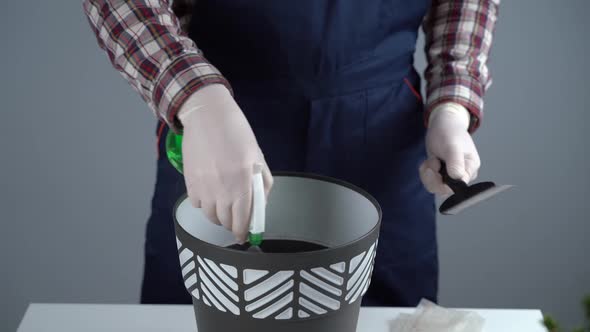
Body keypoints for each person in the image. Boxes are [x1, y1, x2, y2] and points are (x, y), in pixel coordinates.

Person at [83, 0, 500, 306]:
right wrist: (198, 102)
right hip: (223, 124)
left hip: (380, 131)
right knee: (203, 308)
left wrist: (452, 105)